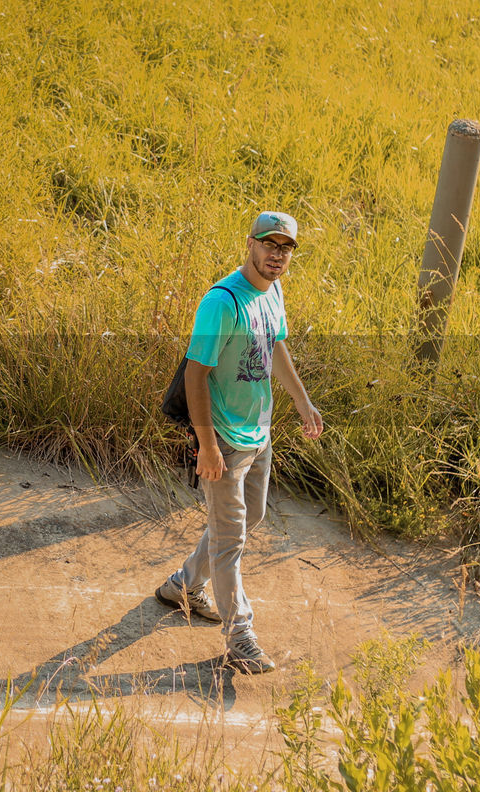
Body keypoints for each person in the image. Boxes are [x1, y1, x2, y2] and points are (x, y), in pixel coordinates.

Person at [155, 210, 323, 674]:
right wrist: (207, 447)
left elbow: (277, 348)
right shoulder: (222, 302)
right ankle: (240, 635)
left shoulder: (273, 293)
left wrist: (303, 404)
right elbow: (196, 374)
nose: (277, 254)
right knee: (231, 540)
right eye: (269, 244)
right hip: (224, 439)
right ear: (250, 243)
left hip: (259, 432)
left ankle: (184, 586)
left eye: (286, 247)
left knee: (253, 517)